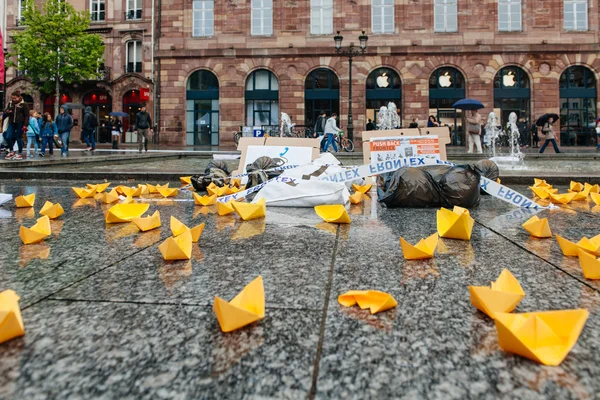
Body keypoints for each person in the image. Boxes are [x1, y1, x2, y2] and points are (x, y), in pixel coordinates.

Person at [3, 90, 29, 160]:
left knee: (18, 138)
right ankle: (11, 151)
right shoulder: (11, 103)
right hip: (12, 122)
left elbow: (27, 116)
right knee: (8, 136)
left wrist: (25, 125)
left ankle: (20, 153)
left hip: (20, 123)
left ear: (19, 97)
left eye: (15, 98)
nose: (14, 100)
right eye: (12, 98)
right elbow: (6, 112)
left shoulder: (24, 104)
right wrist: (7, 112)